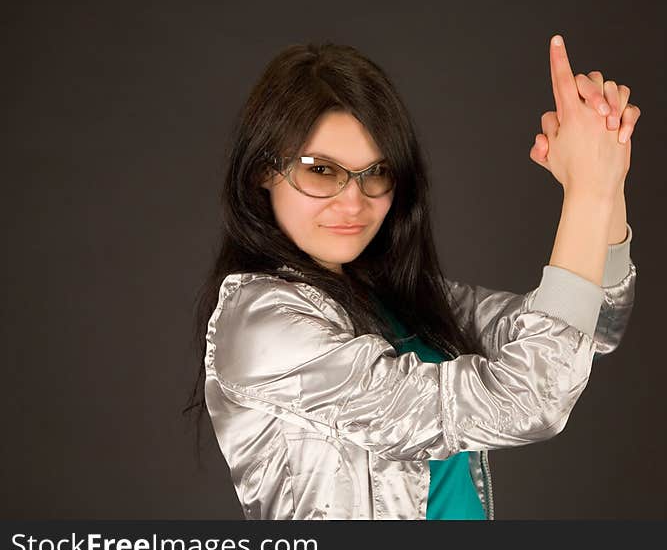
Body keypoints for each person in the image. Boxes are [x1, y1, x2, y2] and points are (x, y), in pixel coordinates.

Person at [185, 34, 640, 520]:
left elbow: (591, 327)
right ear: (262, 171)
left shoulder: (397, 299)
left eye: (375, 172)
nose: (353, 202)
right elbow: (532, 399)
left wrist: (606, 179)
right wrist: (587, 193)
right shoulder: (262, 325)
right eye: (320, 171)